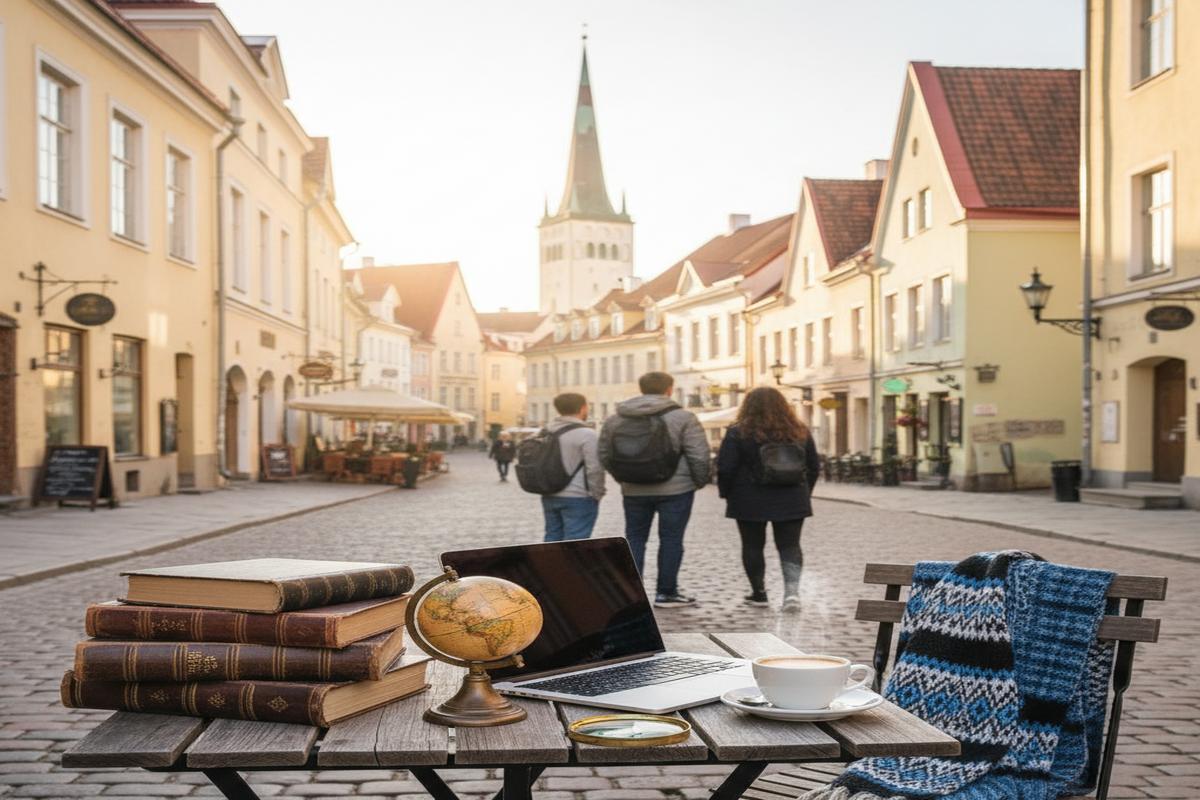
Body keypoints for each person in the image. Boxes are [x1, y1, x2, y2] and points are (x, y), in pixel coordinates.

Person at [599, 372, 710, 608]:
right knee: (671, 539)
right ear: (669, 389)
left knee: (635, 539)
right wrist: (698, 481)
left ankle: (631, 595)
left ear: (641, 389)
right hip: (677, 489)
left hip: (633, 489)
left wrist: (623, 478)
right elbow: (698, 455)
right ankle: (666, 593)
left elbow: (604, 455)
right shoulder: (683, 417)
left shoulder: (615, 418)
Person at [716, 386, 820, 612]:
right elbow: (814, 466)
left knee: (752, 546)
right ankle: (791, 594)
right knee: (790, 546)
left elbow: (726, 467)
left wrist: (727, 493)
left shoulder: (738, 432)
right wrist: (804, 492)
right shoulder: (799, 430)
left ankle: (759, 593)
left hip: (749, 497)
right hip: (792, 496)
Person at [542, 393, 605, 541]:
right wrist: (597, 494)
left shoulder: (546, 431)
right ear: (583, 408)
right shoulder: (587, 434)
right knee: (575, 543)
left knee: (552, 538)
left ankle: (551, 565)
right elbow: (594, 468)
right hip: (579, 496)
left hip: (550, 494)